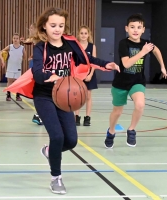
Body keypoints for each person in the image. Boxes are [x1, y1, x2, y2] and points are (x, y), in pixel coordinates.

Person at [31, 7, 119, 194]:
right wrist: (54, 76)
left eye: (61, 25)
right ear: (44, 27)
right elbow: (37, 73)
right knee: (57, 136)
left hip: (64, 97)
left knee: (71, 141)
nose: (57, 29)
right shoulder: (40, 47)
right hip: (45, 95)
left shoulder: (70, 43)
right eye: (53, 25)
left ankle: (49, 151)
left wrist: (105, 65)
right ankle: (56, 178)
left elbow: (87, 59)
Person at [104, 13, 167, 149]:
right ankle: (111, 131)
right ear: (126, 28)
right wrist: (142, 52)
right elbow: (126, 64)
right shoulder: (123, 43)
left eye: (139, 27)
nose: (135, 30)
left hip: (137, 82)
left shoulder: (145, 44)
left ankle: (131, 130)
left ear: (143, 29)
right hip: (121, 83)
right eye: (132, 27)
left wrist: (162, 66)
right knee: (117, 111)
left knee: (140, 104)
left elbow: (156, 50)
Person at [21, 23, 43, 125]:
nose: (29, 29)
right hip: (34, 65)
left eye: (31, 28)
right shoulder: (35, 39)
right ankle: (39, 114)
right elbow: (29, 41)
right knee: (37, 90)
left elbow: (30, 41)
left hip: (39, 66)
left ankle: (39, 114)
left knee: (39, 90)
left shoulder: (39, 39)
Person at [74, 25, 97, 126]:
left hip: (89, 75)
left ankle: (87, 117)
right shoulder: (75, 46)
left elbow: (94, 62)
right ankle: (76, 117)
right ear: (78, 35)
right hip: (78, 75)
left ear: (88, 35)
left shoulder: (92, 46)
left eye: (85, 33)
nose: (83, 35)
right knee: (78, 97)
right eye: (81, 33)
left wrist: (91, 74)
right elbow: (73, 62)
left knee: (88, 96)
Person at [2, 33, 27, 101]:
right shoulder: (10, 46)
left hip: (18, 67)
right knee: (9, 81)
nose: (15, 40)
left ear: (19, 40)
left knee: (17, 82)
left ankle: (18, 95)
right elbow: (3, 51)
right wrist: (5, 55)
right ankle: (8, 95)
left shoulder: (22, 48)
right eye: (14, 38)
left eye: (17, 38)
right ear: (12, 39)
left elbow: (25, 57)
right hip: (10, 67)